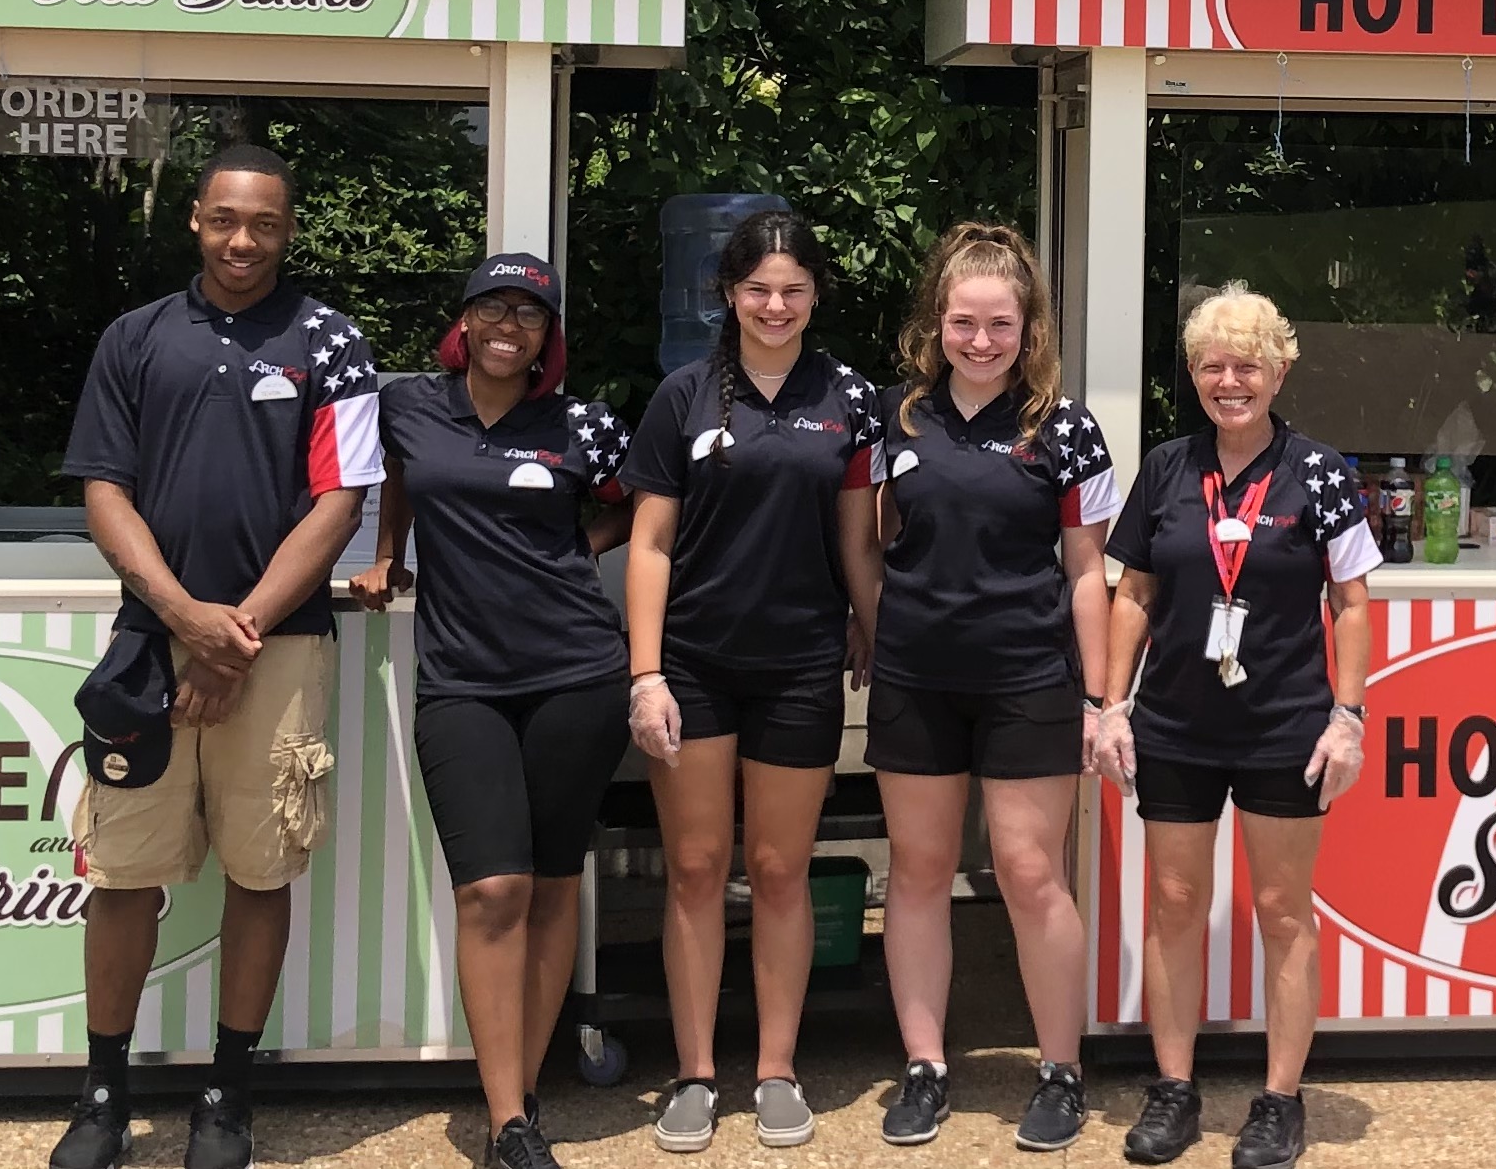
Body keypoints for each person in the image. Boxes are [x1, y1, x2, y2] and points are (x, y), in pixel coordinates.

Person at [54, 145, 384, 1169]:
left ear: (290, 229)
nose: (244, 240)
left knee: (260, 871)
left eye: (266, 224)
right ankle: (104, 1097)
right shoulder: (135, 337)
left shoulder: (335, 342)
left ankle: (226, 1096)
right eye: (225, 220)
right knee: (120, 876)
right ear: (195, 218)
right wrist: (181, 614)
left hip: (279, 652)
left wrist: (232, 634)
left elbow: (341, 502)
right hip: (150, 651)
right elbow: (103, 487)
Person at [348, 255, 634, 1169]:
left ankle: (523, 1101)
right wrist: (389, 551)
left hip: (577, 674)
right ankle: (505, 1113)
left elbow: (638, 509)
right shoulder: (411, 406)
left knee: (552, 884)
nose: (511, 323)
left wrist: (572, 553)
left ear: (548, 335)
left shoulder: (582, 423)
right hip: (462, 679)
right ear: (463, 321)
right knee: (492, 888)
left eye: (531, 313)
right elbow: (397, 472)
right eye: (493, 307)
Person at [616, 209, 884, 1152]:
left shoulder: (849, 397)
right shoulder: (683, 396)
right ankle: (693, 1073)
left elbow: (860, 540)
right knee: (693, 869)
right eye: (759, 289)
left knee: (778, 872)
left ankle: (776, 1068)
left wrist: (873, 630)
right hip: (693, 663)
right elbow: (648, 544)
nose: (776, 305)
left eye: (794, 290)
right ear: (728, 295)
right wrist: (645, 674)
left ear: (815, 297)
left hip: (802, 665)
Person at [1091, 284, 1376, 1169]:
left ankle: (1279, 1101)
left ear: (1280, 370)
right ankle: (1174, 1090)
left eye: (1247, 364)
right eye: (1213, 365)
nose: (1229, 381)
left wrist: (1349, 716)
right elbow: (1132, 592)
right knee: (1175, 904)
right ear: (1193, 373)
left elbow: (1353, 601)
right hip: (1175, 719)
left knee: (1284, 912)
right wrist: (1109, 706)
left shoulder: (1321, 472)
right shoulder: (1169, 468)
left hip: (1285, 724)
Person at [853, 223, 1121, 1151]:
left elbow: (1087, 570)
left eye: (999, 323)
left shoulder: (1066, 427)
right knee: (919, 874)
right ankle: (925, 1067)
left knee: (1029, 871)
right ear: (937, 321)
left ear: (1028, 327)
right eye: (963, 321)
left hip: (1028, 678)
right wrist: (874, 632)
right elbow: (872, 543)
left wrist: (1099, 697)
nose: (980, 339)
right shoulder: (894, 417)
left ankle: (1060, 1069)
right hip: (916, 677)